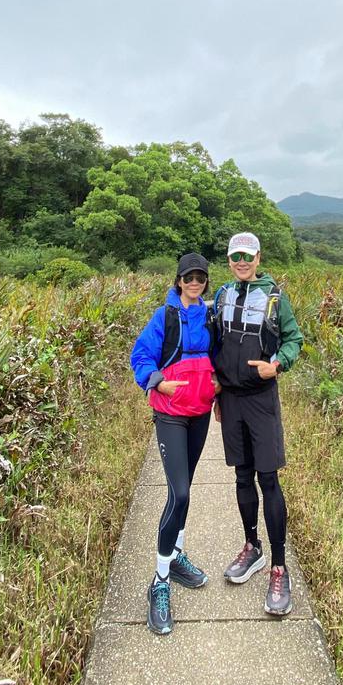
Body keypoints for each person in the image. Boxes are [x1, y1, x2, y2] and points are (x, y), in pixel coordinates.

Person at [211, 231, 303, 616]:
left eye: (248, 256)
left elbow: (294, 340)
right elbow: (211, 343)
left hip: (261, 399)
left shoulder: (276, 297)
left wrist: (276, 364)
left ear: (259, 258)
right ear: (229, 260)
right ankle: (253, 547)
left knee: (268, 479)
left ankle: (279, 567)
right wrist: (215, 389)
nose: (242, 262)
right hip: (231, 400)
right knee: (242, 476)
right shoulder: (221, 295)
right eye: (236, 256)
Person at [130, 252, 216, 635]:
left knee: (186, 489)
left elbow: (218, 355)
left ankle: (176, 555)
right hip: (170, 413)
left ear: (205, 282)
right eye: (189, 277)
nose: (194, 282)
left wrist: (218, 386)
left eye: (200, 277)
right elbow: (140, 355)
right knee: (178, 493)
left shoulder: (208, 316)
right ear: (179, 280)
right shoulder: (164, 316)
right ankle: (160, 582)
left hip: (199, 412)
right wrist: (157, 381)